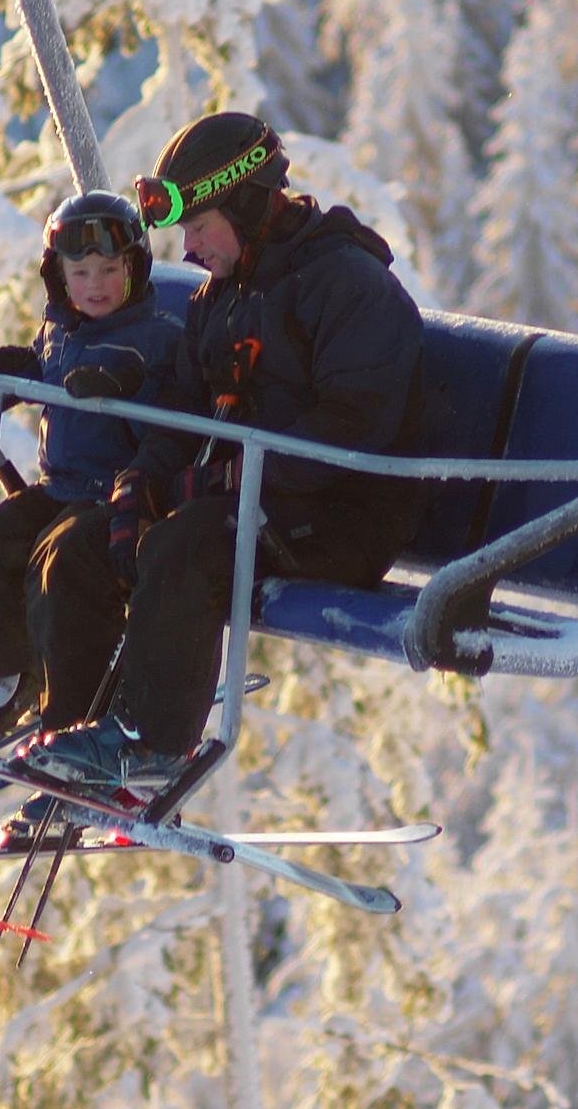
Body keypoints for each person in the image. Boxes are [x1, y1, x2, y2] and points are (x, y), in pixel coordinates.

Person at [27, 110, 424, 793]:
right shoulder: (226, 296)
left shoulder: (345, 284)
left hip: (341, 514)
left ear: (246, 202)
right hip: (256, 500)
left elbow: (352, 426)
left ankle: (149, 745)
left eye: (200, 227)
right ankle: (71, 736)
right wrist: (141, 482)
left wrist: (230, 479)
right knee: (91, 540)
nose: (190, 249)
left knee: (191, 545)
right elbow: (183, 405)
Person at [0, 190, 184, 749]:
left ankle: (68, 717)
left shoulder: (153, 335)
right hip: (62, 486)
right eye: (81, 272)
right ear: (59, 278)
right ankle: (9, 673)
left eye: (109, 270)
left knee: (61, 566)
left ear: (134, 269)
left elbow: (153, 378)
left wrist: (116, 376)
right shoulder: (62, 330)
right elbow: (39, 364)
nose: (95, 285)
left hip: (118, 496)